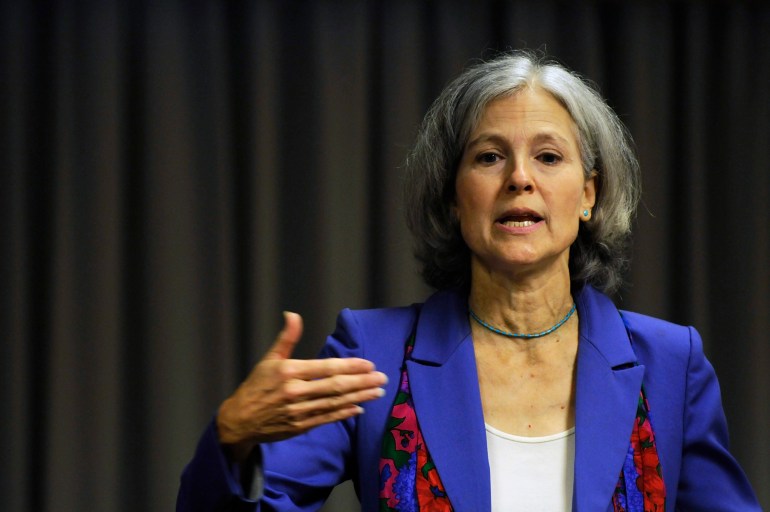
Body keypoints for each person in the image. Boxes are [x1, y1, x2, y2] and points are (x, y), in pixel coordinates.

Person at [177, 51, 761, 511]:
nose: (519, 178)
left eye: (549, 157)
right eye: (488, 157)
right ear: (455, 198)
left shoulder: (671, 364)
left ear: (589, 194)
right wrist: (231, 436)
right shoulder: (374, 355)